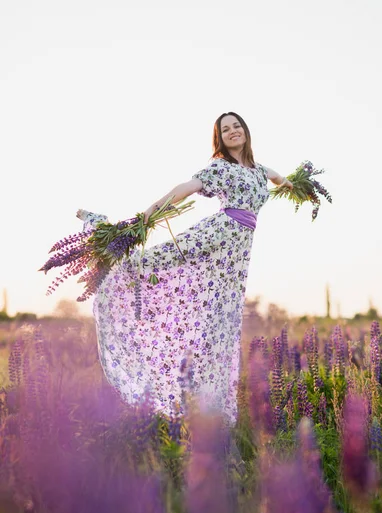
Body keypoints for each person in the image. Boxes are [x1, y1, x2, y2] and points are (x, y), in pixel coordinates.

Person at [77, 112, 293, 425]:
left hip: (234, 259)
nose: (233, 132)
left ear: (246, 131)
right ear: (219, 138)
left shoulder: (260, 170)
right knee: (148, 262)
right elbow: (186, 188)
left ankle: (210, 411)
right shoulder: (221, 167)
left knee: (221, 325)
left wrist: (298, 186)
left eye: (237, 126)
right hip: (216, 235)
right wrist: (147, 216)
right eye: (225, 129)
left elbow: (279, 179)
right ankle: (103, 231)